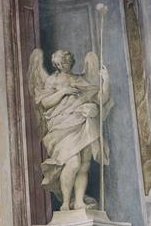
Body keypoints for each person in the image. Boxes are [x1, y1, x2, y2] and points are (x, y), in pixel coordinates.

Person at [28, 48, 111, 211]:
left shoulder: (80, 79)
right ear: (56, 64)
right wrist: (63, 92)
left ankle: (79, 201)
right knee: (73, 163)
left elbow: (101, 98)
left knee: (84, 165)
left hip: (82, 123)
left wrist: (106, 81)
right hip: (62, 126)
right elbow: (44, 103)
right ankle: (65, 203)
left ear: (71, 62)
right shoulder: (52, 80)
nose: (64, 64)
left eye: (66, 61)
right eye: (61, 62)